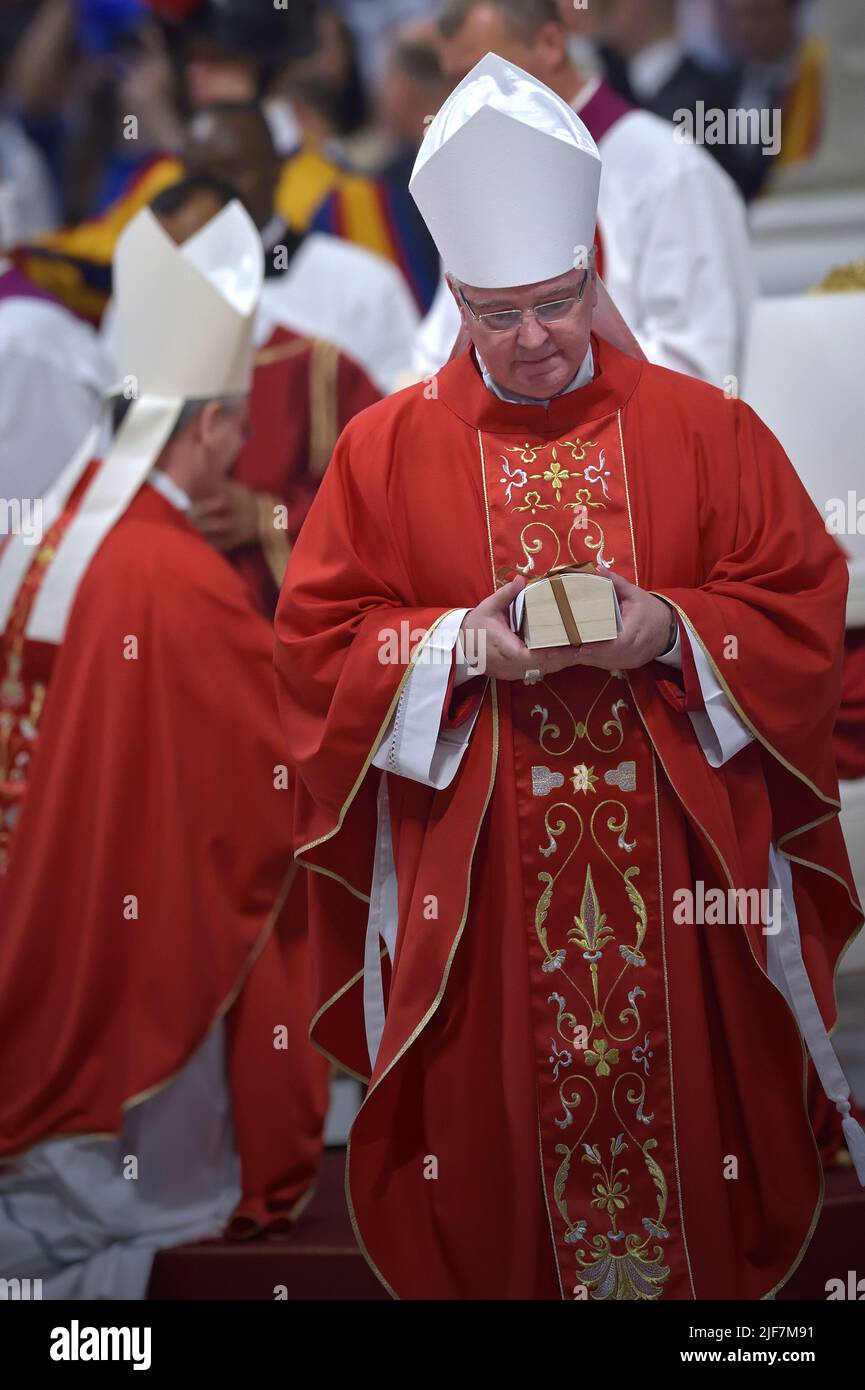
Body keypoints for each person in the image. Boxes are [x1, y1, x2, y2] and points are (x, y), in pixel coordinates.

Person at [273, 53, 864, 1301]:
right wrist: (456, 645)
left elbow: (800, 600)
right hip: (483, 873)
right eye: (502, 314)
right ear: (457, 297)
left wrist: (674, 629)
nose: (537, 338)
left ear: (592, 274)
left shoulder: (703, 427)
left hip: (678, 859)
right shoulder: (383, 453)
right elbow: (320, 640)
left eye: (557, 301)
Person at [0, 199, 329, 1299]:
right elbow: (263, 794)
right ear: (200, 427)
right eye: (234, 427)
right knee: (146, 1223)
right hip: (125, 1014)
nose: (239, 450)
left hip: (31, 937)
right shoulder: (180, 579)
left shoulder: (33, 533)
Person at [413, 0, 754, 387]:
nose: (463, 103)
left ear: (551, 43)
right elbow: (441, 345)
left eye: (476, 77)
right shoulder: (477, 180)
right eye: (453, 83)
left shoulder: (670, 171)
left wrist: (545, 388)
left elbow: (699, 360)